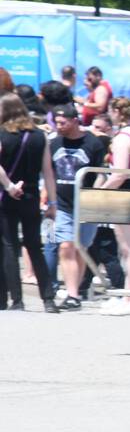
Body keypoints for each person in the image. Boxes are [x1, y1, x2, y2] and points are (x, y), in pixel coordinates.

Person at [0, 93, 59, 312]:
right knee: (35, 246)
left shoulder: (3, 134)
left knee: (8, 246)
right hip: (31, 197)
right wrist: (52, 202)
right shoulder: (39, 136)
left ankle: (16, 300)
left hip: (6, 197)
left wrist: (8, 186)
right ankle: (48, 298)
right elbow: (48, 172)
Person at [48, 103, 107, 311]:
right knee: (65, 246)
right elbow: (50, 174)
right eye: (56, 122)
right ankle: (72, 294)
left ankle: (76, 292)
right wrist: (48, 199)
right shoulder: (53, 143)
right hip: (63, 204)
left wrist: (98, 196)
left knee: (81, 248)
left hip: (86, 202)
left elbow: (101, 173)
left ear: (75, 121)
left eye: (63, 122)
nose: (58, 126)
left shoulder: (93, 143)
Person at [98, 98, 130, 314]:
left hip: (126, 193)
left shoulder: (122, 139)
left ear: (118, 112)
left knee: (129, 251)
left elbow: (119, 173)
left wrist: (100, 192)